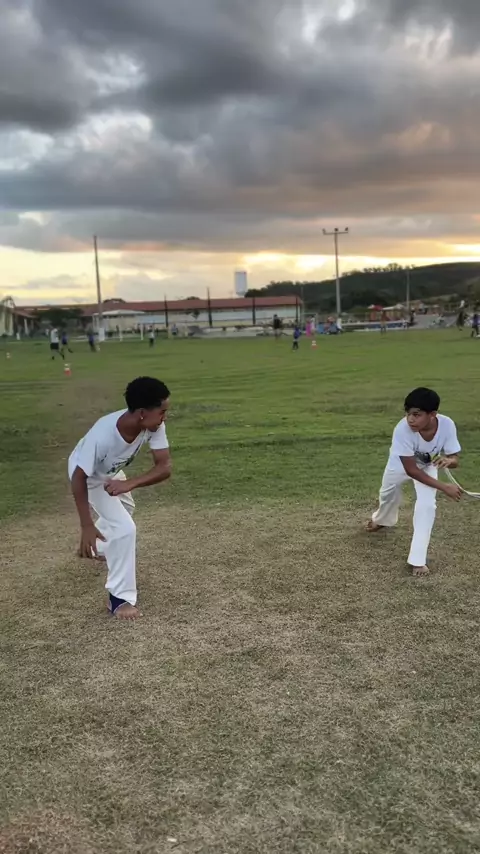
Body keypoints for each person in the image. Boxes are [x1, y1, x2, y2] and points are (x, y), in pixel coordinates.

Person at [68, 377, 172, 620]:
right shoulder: (102, 435)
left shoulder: (153, 426)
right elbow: (78, 477)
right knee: (125, 529)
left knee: (126, 508)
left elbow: (164, 467)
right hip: (88, 476)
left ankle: (98, 547)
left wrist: (129, 483)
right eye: (162, 412)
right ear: (142, 413)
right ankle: (119, 598)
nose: (165, 417)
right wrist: (86, 525)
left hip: (110, 471)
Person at [367, 387, 462, 576]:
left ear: (432, 414)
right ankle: (381, 519)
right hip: (400, 464)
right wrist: (444, 487)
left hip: (428, 465)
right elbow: (411, 470)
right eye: (408, 413)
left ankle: (418, 560)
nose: (410, 419)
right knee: (388, 496)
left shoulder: (447, 425)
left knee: (427, 506)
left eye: (417, 415)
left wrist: (448, 461)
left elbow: (455, 459)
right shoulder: (402, 429)